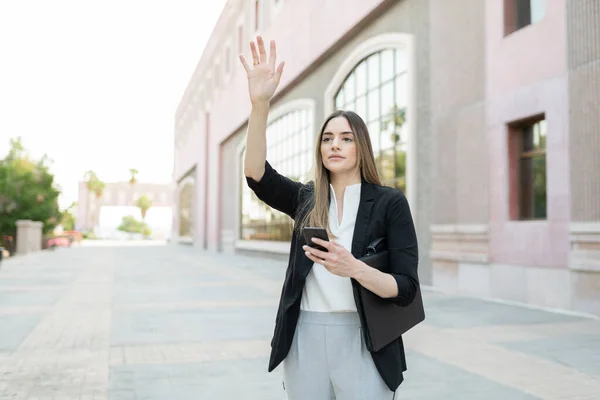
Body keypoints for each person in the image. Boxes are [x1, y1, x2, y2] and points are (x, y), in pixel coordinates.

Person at [240, 36, 419, 400]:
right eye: (327, 138)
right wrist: (260, 106)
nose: (334, 145)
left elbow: (406, 288)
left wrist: (353, 267)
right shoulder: (307, 198)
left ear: (361, 147)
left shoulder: (389, 203)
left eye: (346, 138)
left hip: (365, 338)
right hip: (304, 335)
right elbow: (257, 175)